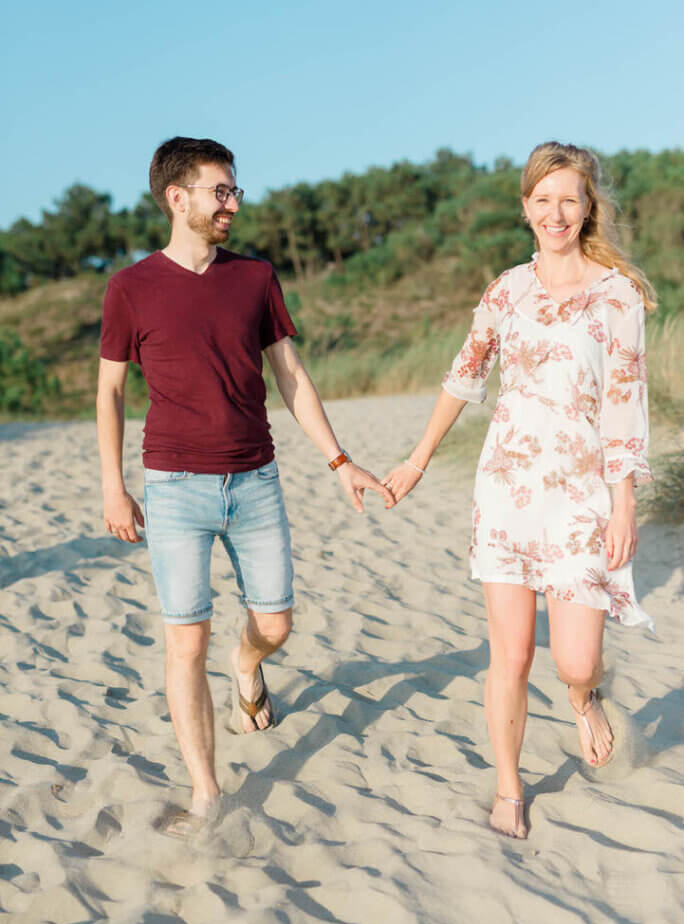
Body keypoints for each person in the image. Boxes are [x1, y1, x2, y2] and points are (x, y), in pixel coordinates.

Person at [97, 136, 393, 830]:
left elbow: (289, 375)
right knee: (183, 644)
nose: (234, 201)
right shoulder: (131, 288)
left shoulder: (255, 278)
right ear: (178, 198)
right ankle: (207, 791)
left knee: (277, 624)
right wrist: (114, 487)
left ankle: (248, 663)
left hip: (255, 481)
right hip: (173, 486)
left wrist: (339, 459)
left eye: (234, 189)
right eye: (220, 190)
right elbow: (110, 393)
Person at [383, 141, 656, 839]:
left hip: (580, 497)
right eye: (543, 200)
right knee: (510, 655)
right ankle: (509, 788)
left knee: (575, 659)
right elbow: (462, 376)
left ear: (589, 205)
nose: (556, 213)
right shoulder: (507, 290)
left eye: (569, 198)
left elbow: (625, 400)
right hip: (505, 492)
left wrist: (624, 499)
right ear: (525, 208)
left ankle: (584, 698)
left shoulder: (616, 294)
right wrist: (416, 460)